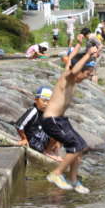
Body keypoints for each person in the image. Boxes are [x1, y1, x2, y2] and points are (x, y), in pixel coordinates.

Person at [42, 47, 98, 193]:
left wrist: (86, 52)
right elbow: (73, 70)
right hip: (52, 120)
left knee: (81, 146)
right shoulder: (68, 75)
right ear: (78, 70)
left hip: (60, 120)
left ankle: (73, 180)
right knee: (75, 146)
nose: (86, 77)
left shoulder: (71, 74)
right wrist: (87, 54)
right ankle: (56, 174)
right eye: (86, 74)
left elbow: (72, 57)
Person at [15, 86, 61, 161]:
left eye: (48, 102)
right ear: (36, 100)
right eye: (44, 101)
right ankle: (48, 151)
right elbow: (19, 126)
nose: (46, 104)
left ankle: (50, 151)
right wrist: (24, 139)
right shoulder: (33, 111)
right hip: (32, 141)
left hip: (40, 139)